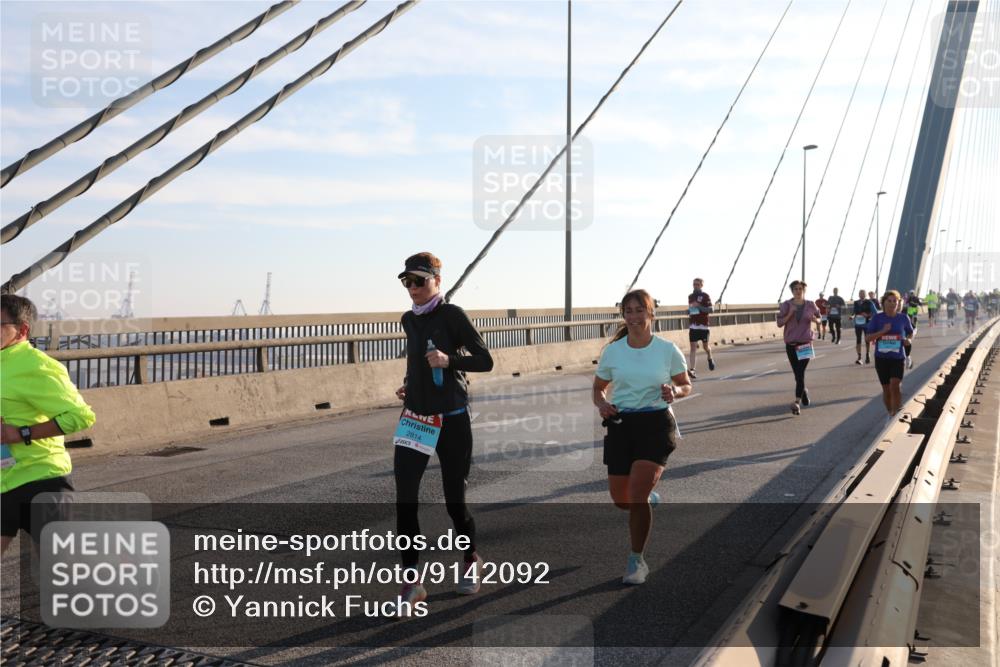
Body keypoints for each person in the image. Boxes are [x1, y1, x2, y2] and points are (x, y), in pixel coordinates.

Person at [393, 252, 494, 611]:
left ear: (437, 280)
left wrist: (449, 360)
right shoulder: (409, 319)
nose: (413, 288)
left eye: (419, 281)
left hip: (451, 418)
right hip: (416, 419)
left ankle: (470, 559)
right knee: (405, 500)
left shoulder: (453, 315)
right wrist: (411, 383)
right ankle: (411, 582)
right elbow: (417, 361)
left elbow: (485, 360)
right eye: (407, 281)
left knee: (454, 501)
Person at [594, 289, 691, 584]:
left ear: (651, 313)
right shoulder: (613, 351)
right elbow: (598, 388)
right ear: (623, 315)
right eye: (629, 311)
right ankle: (648, 496)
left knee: (636, 498)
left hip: (656, 424)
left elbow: (685, 384)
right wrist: (602, 404)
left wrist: (674, 391)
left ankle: (637, 561)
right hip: (621, 424)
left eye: (639, 310)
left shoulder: (667, 350)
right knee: (621, 500)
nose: (634, 316)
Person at [1, 295, 96, 554]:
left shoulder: (38, 366)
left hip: (40, 480)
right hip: (4, 482)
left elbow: (80, 416)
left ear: (22, 330)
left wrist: (21, 433)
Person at [866, 290, 914, 417]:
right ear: (883, 303)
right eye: (889, 301)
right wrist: (883, 331)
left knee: (895, 385)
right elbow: (868, 338)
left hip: (898, 357)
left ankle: (896, 414)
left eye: (895, 301)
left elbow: (910, 332)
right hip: (881, 358)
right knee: (887, 389)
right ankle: (890, 413)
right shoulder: (877, 318)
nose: (893, 303)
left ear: (898, 303)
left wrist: (909, 339)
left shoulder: (903, 318)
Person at [777, 281, 821, 415]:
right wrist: (790, 314)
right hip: (791, 344)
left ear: (804, 290)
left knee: (800, 372)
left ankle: (797, 402)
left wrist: (816, 320)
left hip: (805, 343)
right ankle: (804, 391)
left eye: (800, 288)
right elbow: (779, 323)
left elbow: (820, 319)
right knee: (797, 374)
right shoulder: (786, 305)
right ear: (792, 291)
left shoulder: (811, 304)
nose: (798, 291)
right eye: (795, 289)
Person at [686, 278, 715, 379]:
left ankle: (709, 356)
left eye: (697, 284)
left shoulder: (705, 296)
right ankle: (692, 369)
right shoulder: (690, 296)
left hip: (704, 326)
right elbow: (692, 309)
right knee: (693, 348)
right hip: (693, 326)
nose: (695, 286)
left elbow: (711, 310)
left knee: (705, 347)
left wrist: (699, 306)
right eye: (694, 284)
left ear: (701, 285)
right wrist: (689, 311)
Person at [852, 289, 878, 365]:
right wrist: (852, 316)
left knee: (867, 340)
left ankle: (867, 354)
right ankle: (859, 357)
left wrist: (868, 315)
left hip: (867, 324)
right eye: (860, 293)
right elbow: (854, 312)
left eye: (863, 293)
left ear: (865, 295)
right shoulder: (856, 303)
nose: (861, 295)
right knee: (858, 340)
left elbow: (875, 313)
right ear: (858, 295)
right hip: (857, 324)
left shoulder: (869, 302)